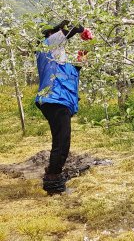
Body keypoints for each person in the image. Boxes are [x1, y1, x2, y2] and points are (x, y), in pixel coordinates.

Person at [36, 20, 92, 195]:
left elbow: (77, 68)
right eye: (58, 31)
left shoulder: (62, 61)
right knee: (62, 142)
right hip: (54, 100)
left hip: (63, 102)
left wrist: (88, 47)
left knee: (61, 141)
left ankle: (54, 178)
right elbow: (71, 30)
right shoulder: (47, 48)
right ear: (51, 34)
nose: (61, 34)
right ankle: (53, 182)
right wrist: (82, 30)